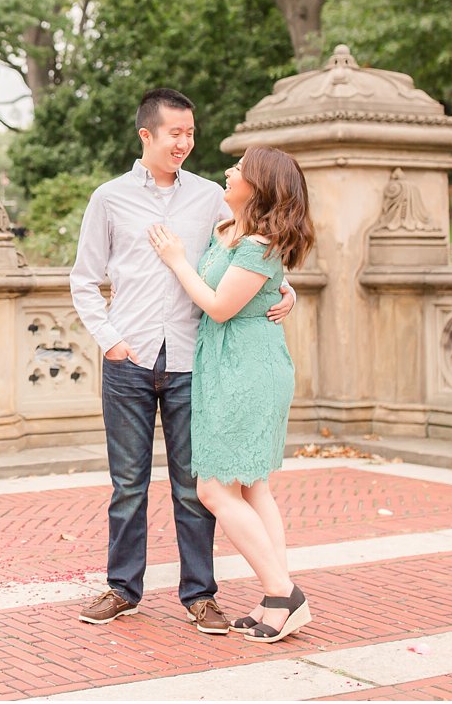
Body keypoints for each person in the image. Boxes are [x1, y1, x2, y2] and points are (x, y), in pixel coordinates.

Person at [70, 88, 295, 635]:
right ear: (146, 135)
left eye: (191, 133)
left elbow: (249, 248)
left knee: (196, 486)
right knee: (128, 483)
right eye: (176, 133)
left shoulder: (211, 197)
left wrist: (290, 290)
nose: (186, 143)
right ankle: (122, 588)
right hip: (130, 357)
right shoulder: (110, 197)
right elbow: (83, 279)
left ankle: (200, 594)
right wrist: (110, 340)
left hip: (196, 362)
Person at [147, 146, 315, 643]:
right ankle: (274, 599)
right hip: (226, 365)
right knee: (252, 485)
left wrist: (178, 261)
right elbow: (265, 284)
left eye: (239, 169)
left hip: (248, 368)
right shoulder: (231, 229)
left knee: (213, 489)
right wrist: (286, 290)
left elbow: (220, 307)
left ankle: (283, 592)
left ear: (258, 186)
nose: (228, 171)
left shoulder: (258, 245)